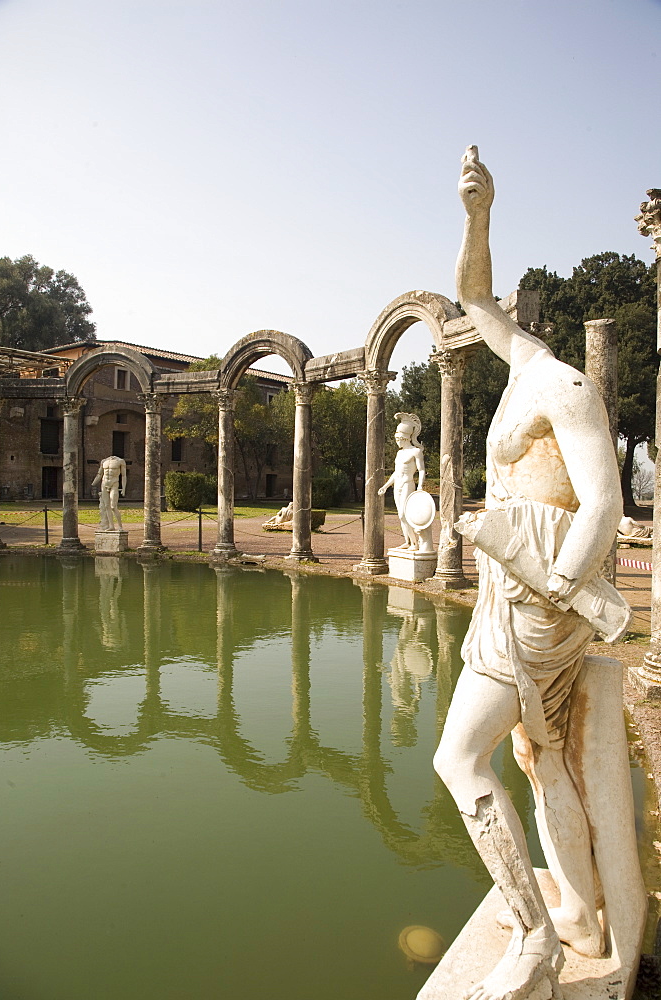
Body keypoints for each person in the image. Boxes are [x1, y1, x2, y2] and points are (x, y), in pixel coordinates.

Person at [433, 148, 622, 1000]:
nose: (500, 310)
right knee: (538, 755)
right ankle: (578, 914)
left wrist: (558, 582)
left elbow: (604, 504)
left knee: (459, 760)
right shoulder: (521, 368)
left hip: (541, 597)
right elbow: (470, 295)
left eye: (515, 309)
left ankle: (538, 942)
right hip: (512, 592)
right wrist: (479, 215)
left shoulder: (566, 387)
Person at [378, 412, 426, 549]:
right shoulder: (399, 453)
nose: (396, 441)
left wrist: (420, 486)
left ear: (405, 438)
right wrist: (386, 486)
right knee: (400, 516)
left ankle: (415, 543)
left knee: (404, 514)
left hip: (407, 483)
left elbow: (421, 470)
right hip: (397, 484)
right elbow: (396, 472)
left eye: (398, 439)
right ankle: (408, 541)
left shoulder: (416, 451)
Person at [92, 455, 127, 531]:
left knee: (113, 506)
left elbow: (123, 475)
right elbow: (99, 474)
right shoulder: (104, 461)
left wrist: (123, 488)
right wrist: (93, 483)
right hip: (104, 484)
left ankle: (120, 526)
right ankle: (111, 526)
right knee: (107, 506)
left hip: (114, 483)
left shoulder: (120, 461)